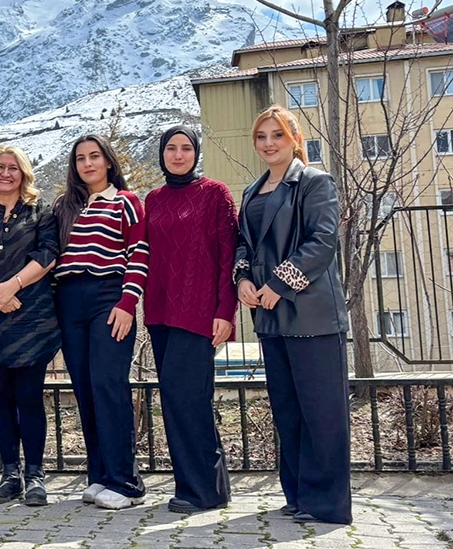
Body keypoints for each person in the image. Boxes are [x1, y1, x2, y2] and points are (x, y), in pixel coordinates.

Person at [234, 105, 352, 525]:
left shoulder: (315, 182)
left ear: (295, 139)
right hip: (270, 318)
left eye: (278, 135)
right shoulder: (251, 191)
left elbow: (322, 243)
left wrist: (278, 284)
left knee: (322, 413)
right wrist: (242, 279)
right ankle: (300, 495)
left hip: (312, 315)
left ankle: (327, 504)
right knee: (288, 411)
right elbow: (243, 244)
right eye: (261, 136)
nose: (269, 143)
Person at [52, 134, 148, 510]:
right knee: (86, 389)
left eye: (94, 156)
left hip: (108, 297)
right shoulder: (64, 206)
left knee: (109, 385)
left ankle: (126, 482)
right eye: (80, 158)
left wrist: (128, 303)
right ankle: (100, 475)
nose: (88, 164)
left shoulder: (126, 202)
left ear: (108, 161)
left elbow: (139, 252)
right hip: (68, 300)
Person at [0, 146, 60, 506]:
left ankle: (35, 476)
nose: (5, 173)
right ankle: (10, 475)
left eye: (13, 168)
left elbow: (47, 255)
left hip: (32, 319)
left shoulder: (40, 213)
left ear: (24, 174)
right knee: (1, 399)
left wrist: (12, 286)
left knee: (29, 398)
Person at [144, 126, 236, 513]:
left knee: (191, 399)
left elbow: (229, 255)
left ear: (196, 153)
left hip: (199, 314)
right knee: (174, 400)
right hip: (160, 313)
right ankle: (201, 488)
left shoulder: (215, 193)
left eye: (186, 148)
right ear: (162, 154)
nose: (178, 155)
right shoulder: (153, 199)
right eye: (171, 148)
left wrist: (226, 311)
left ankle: (204, 492)